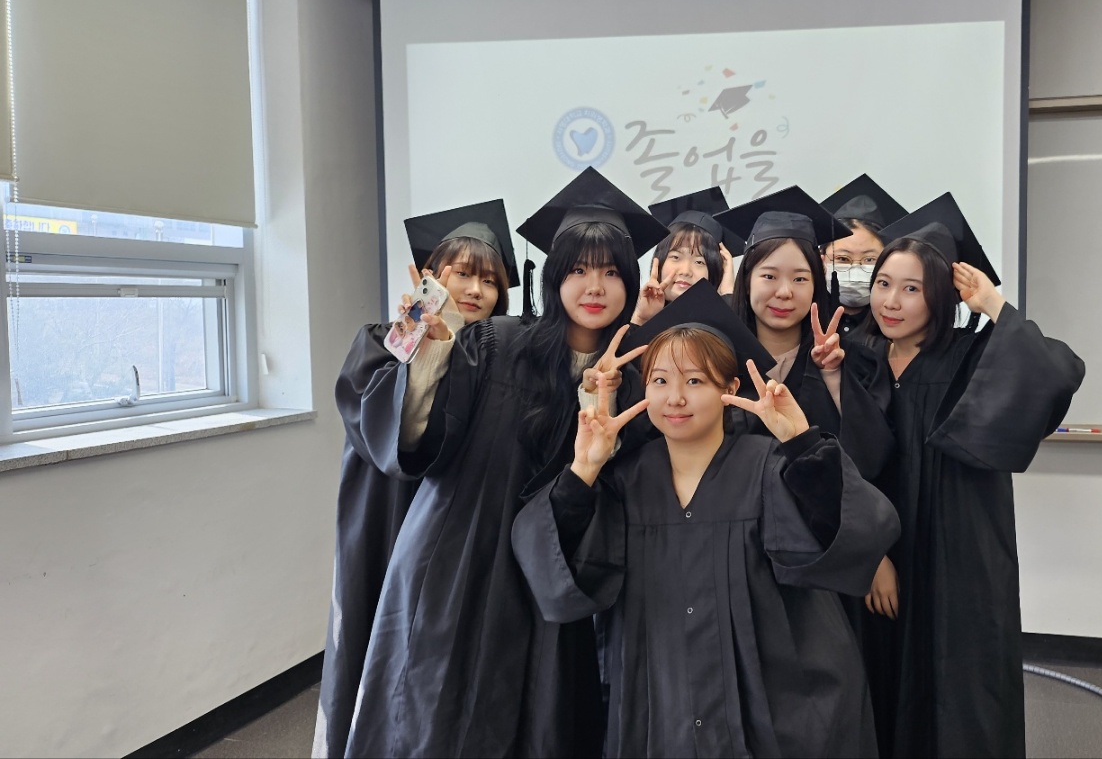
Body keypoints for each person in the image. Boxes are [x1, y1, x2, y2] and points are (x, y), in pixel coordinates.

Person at [338, 167, 666, 757]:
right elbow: (419, 441)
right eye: (578, 270)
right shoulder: (494, 344)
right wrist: (431, 346)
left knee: (536, 721)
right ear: (553, 278)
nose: (594, 286)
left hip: (554, 573)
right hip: (457, 556)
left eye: (612, 272)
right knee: (433, 715)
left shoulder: (637, 381)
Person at [512, 280, 901, 757]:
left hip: (772, 708)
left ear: (730, 388)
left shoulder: (771, 468)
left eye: (695, 381)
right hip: (659, 706)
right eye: (660, 381)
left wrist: (801, 443)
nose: (675, 398)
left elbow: (858, 534)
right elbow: (549, 567)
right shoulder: (623, 481)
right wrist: (583, 470)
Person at [851, 192, 1085, 758]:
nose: (891, 301)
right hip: (884, 549)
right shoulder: (857, 358)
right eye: (883, 284)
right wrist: (870, 555)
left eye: (912, 288)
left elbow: (1057, 373)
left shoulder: (970, 355)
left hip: (960, 555)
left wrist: (994, 304)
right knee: (879, 672)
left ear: (941, 294)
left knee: (961, 683)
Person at [315, 200, 515, 758]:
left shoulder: (498, 360)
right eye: (462, 273)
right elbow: (377, 435)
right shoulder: (385, 339)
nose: (475, 289)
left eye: (490, 281)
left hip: (453, 525)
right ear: (431, 274)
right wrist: (424, 343)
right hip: (387, 512)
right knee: (373, 633)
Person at [713, 186, 892, 479]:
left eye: (799, 279)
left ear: (816, 285)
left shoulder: (856, 363)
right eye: (769, 276)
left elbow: (871, 459)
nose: (784, 292)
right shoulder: (716, 358)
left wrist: (833, 376)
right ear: (746, 280)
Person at [630, 187, 743, 325]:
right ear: (659, 262)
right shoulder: (630, 317)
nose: (685, 271)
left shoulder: (716, 329)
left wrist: (727, 294)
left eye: (699, 262)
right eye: (676, 257)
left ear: (715, 272)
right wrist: (640, 320)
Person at [820, 174, 908, 338]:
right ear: (822, 260)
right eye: (843, 259)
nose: (855, 271)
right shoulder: (801, 320)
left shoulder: (899, 328)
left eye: (869, 259)